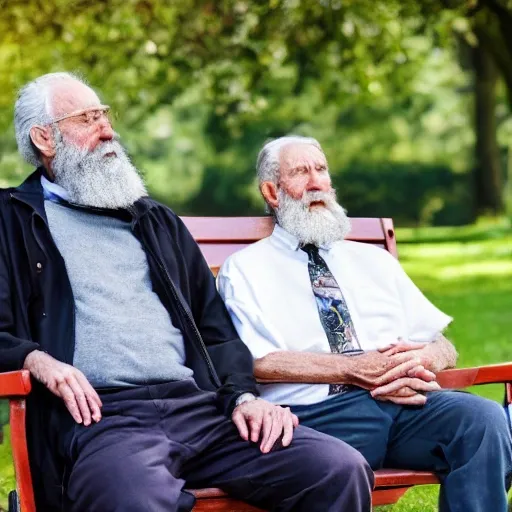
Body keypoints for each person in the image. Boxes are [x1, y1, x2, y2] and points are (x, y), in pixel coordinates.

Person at [0, 76, 374, 511]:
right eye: (87, 119)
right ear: (44, 137)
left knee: (336, 466)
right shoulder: (12, 221)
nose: (107, 131)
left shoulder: (155, 220)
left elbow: (216, 329)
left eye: (104, 115)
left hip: (199, 409)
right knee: (132, 499)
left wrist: (244, 397)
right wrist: (36, 359)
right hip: (104, 420)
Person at [217, 135, 512, 512]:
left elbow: (441, 343)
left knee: (481, 420)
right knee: (337, 465)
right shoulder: (245, 270)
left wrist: (425, 360)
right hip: (317, 416)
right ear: (272, 192)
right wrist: (354, 370)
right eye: (301, 172)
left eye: (321, 170)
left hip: (402, 405)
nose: (316, 182)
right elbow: (256, 361)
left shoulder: (371, 260)